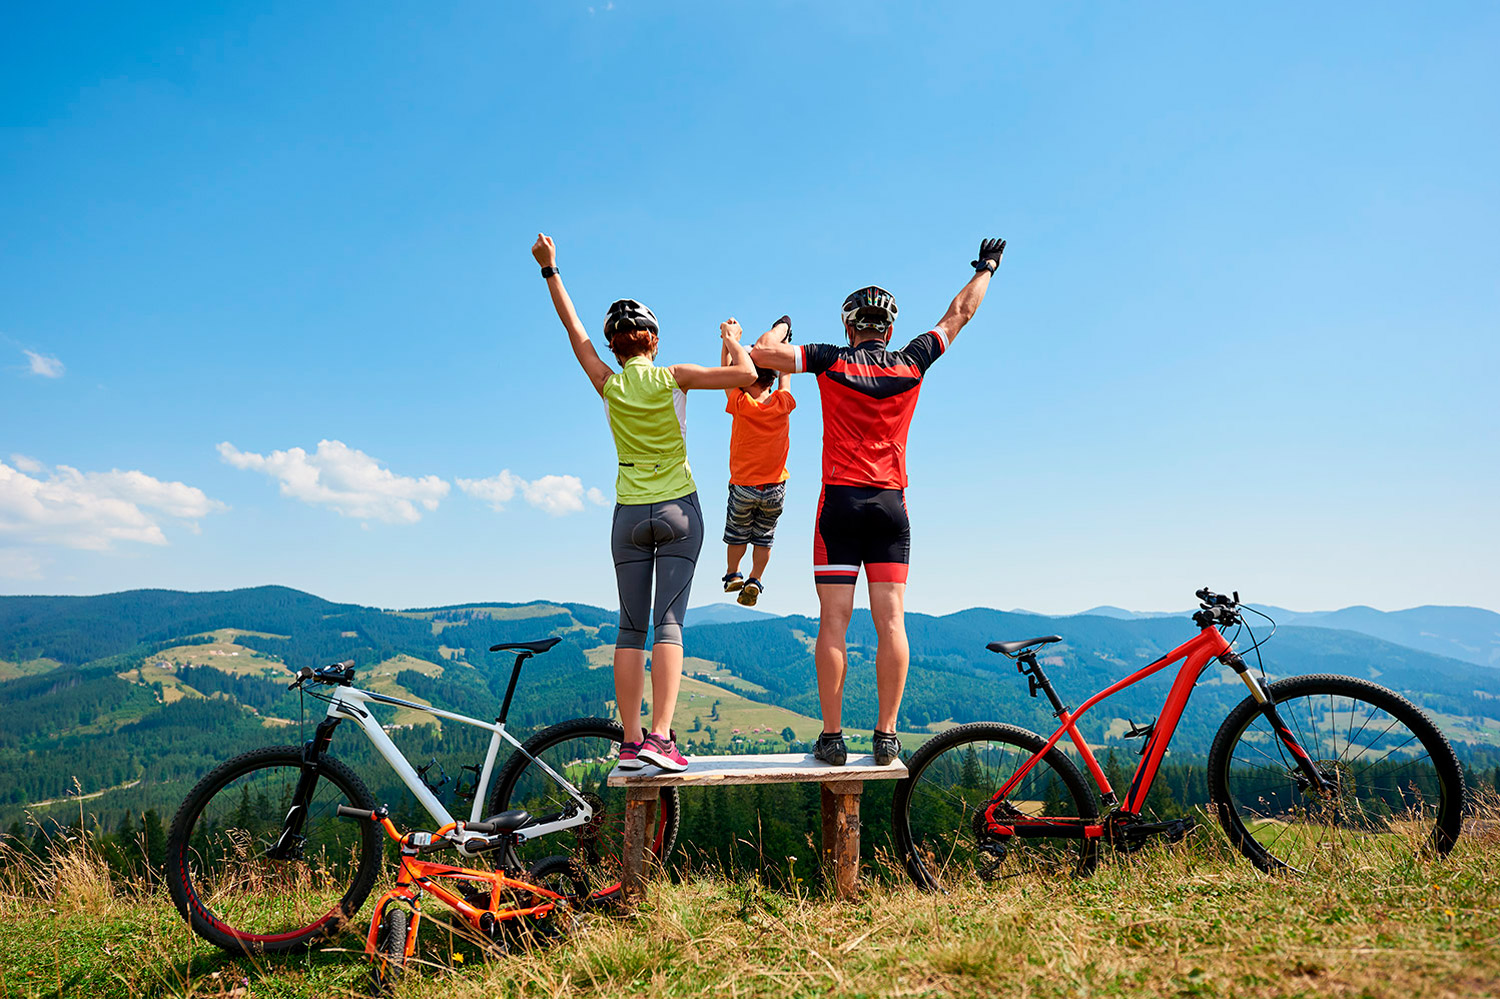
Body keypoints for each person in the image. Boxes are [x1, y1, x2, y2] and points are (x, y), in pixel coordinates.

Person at [750, 238, 1007, 767]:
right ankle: (887, 734)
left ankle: (831, 736)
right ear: (888, 330)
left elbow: (759, 354)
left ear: (849, 327)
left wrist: (781, 328)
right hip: (891, 505)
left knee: (833, 622)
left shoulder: (829, 360)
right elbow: (960, 313)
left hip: (839, 504)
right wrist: (986, 267)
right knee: (892, 622)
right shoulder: (911, 362)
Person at [531, 233, 757, 772]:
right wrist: (733, 338)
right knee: (669, 624)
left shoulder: (607, 384)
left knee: (630, 625)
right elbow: (747, 377)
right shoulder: (673, 376)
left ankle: (631, 743)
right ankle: (661, 738)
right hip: (679, 509)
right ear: (652, 340)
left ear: (615, 348)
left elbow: (574, 330)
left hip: (628, 514)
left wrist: (551, 269)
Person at [720, 316, 796, 607]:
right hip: (775, 487)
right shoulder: (782, 403)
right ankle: (755, 578)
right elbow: (787, 374)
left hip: (744, 485)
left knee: (737, 532)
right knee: (764, 536)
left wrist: (728, 343)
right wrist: (783, 347)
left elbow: (726, 372)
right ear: (772, 378)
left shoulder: (741, 403)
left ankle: (732, 574)